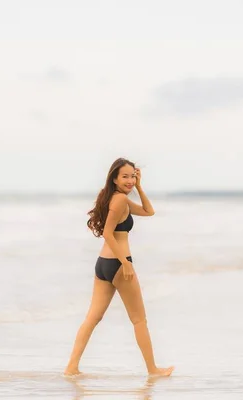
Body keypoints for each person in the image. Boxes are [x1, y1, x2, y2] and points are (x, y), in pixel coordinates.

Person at [64, 157, 174, 377]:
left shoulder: (114, 198)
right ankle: (153, 370)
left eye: (133, 176)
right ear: (114, 177)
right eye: (125, 176)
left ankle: (71, 367)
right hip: (118, 263)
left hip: (103, 264)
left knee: (92, 318)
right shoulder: (120, 201)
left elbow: (148, 211)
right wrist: (125, 263)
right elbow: (107, 233)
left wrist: (140, 187)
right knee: (139, 319)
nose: (130, 180)